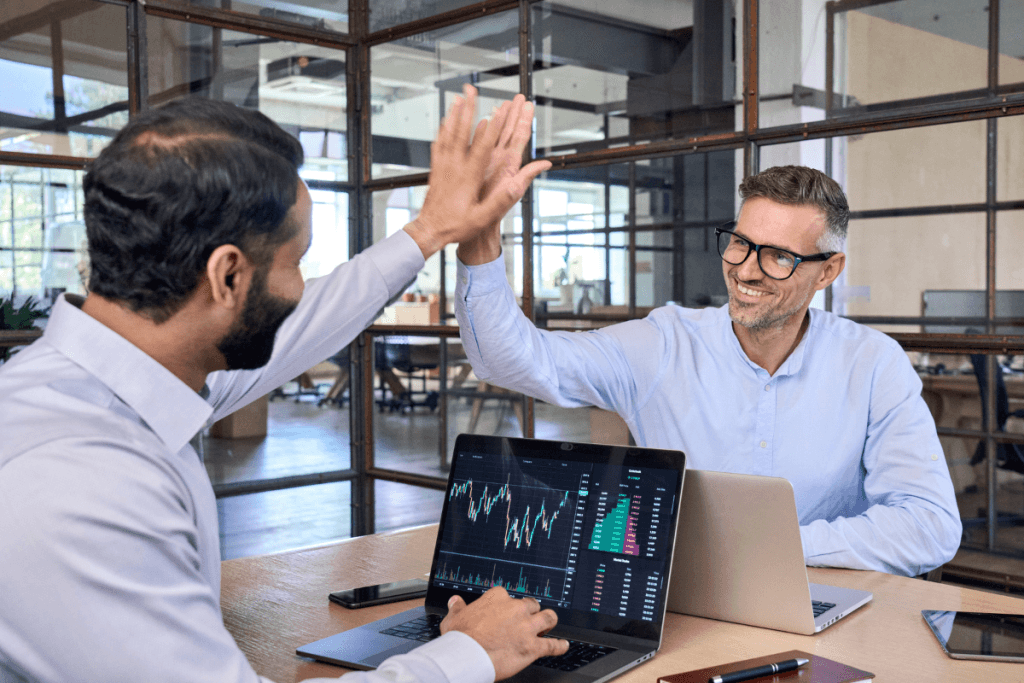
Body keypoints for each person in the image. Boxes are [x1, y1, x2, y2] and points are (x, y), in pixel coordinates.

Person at [0, 87, 568, 683]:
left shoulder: (109, 387)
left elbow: (306, 326)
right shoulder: (78, 478)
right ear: (227, 275)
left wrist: (429, 232)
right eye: (296, 263)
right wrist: (469, 654)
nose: (300, 289)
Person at [453, 165, 962, 578]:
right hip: (688, 605)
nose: (745, 270)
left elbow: (930, 524)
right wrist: (479, 246)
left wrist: (776, 548)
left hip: (823, 601)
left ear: (828, 271)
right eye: (740, 242)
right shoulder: (663, 344)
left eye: (779, 256)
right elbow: (510, 359)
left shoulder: (873, 363)